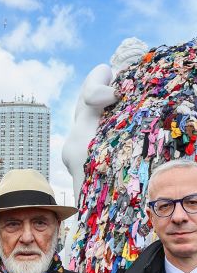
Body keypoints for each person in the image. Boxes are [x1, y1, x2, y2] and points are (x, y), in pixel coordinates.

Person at [62, 37, 149, 202]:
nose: (131, 71)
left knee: (96, 204)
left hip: (93, 149)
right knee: (83, 210)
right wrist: (120, 92)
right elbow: (91, 95)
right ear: (117, 60)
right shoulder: (104, 70)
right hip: (83, 145)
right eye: (130, 64)